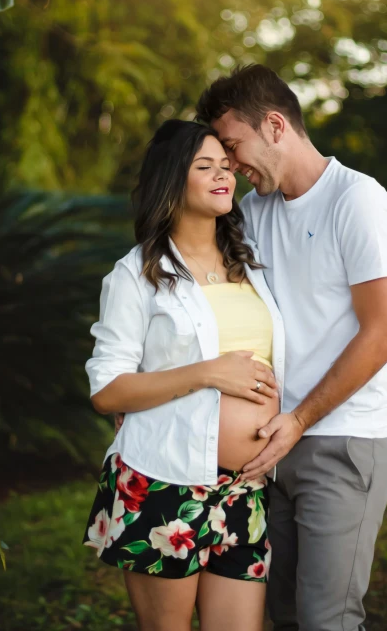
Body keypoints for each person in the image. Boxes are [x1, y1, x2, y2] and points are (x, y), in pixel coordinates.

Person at [196, 64, 387, 631]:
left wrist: (310, 415)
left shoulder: (356, 200)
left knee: (326, 620)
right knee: (281, 616)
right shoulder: (252, 213)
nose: (232, 165)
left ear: (275, 125)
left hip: (339, 441)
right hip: (270, 449)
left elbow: (383, 331)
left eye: (234, 147)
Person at [83, 119, 285, 631]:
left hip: (244, 490)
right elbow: (107, 391)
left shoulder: (252, 266)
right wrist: (208, 373)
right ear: (174, 180)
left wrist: (373, 397)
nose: (224, 176)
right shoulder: (136, 274)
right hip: (162, 482)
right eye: (205, 167)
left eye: (226, 166)